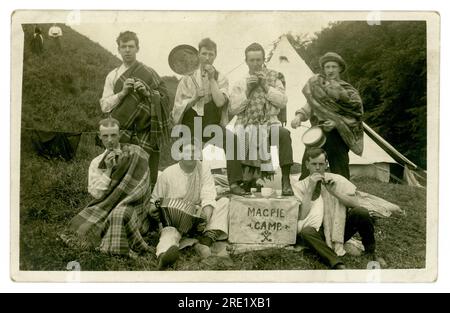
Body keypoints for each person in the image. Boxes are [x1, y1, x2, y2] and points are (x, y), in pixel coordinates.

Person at [61, 118, 154, 258]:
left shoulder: (135, 153)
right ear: (99, 136)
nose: (110, 140)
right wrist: (108, 170)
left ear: (120, 134)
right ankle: (115, 243)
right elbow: (96, 195)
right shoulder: (97, 162)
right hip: (104, 206)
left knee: (120, 214)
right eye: (105, 136)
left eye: (113, 135)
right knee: (82, 226)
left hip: (134, 206)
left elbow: (143, 186)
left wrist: (127, 200)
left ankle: (113, 247)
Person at [172, 38, 246, 195]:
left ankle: (234, 184)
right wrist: (194, 99)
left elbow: (220, 102)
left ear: (215, 55)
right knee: (191, 155)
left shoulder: (221, 78)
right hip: (190, 123)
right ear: (198, 55)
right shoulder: (186, 79)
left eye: (210, 54)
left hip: (211, 123)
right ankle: (188, 189)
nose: (207, 57)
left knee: (232, 140)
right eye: (204, 53)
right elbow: (177, 108)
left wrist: (212, 79)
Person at [100, 31, 172, 190]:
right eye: (123, 46)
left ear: (137, 48)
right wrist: (122, 93)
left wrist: (148, 93)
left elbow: (166, 100)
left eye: (131, 46)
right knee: (120, 176)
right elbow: (104, 106)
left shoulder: (149, 72)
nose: (127, 50)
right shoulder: (113, 76)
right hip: (122, 133)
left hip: (146, 133)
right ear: (118, 49)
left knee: (146, 177)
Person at [292, 147, 385, 269]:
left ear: (326, 164)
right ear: (307, 165)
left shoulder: (337, 180)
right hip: (317, 232)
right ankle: (336, 262)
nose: (318, 168)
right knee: (306, 232)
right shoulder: (299, 186)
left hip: (338, 230)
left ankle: (371, 252)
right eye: (314, 164)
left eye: (321, 164)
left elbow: (356, 204)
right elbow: (301, 216)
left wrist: (335, 192)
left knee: (361, 212)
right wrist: (310, 188)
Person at [149, 140, 230, 270]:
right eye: (187, 151)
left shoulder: (203, 169)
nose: (191, 155)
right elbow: (154, 200)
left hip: (197, 218)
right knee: (169, 234)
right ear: (179, 154)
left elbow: (208, 195)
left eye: (194, 151)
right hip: (175, 222)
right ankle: (164, 256)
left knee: (224, 202)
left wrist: (205, 217)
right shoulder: (168, 174)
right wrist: (153, 210)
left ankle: (206, 240)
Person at [229, 42, 294, 196]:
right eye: (252, 60)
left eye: (259, 60)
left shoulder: (273, 78)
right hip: (246, 123)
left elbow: (282, 101)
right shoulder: (240, 82)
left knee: (284, 134)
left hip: (270, 122)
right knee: (237, 137)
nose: (256, 64)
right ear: (246, 61)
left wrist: (266, 86)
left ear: (264, 59)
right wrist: (248, 90)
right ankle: (244, 179)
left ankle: (286, 180)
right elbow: (233, 109)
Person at [291, 52, 364, 180]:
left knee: (340, 173)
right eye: (327, 67)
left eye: (334, 67)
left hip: (339, 135)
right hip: (317, 134)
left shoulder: (349, 91)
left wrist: (336, 123)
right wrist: (298, 117)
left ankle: (343, 196)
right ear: (323, 69)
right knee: (309, 168)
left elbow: (355, 116)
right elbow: (309, 106)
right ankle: (309, 195)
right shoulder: (317, 87)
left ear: (340, 68)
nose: (330, 70)